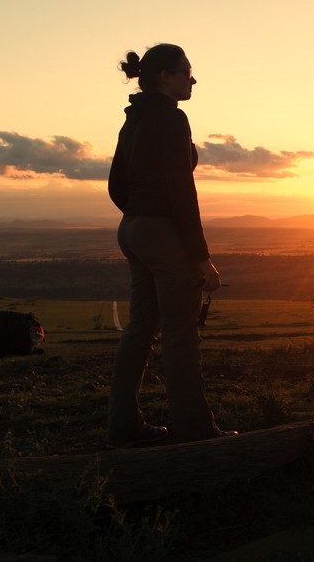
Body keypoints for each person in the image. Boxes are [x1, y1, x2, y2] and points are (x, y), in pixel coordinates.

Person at [106, 43, 234, 448]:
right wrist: (201, 257)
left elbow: (116, 184)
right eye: (187, 73)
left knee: (140, 328)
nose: (193, 81)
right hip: (161, 233)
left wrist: (139, 214)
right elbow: (182, 192)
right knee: (180, 332)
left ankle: (123, 426)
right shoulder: (172, 118)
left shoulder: (133, 119)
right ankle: (195, 429)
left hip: (132, 229)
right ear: (166, 76)